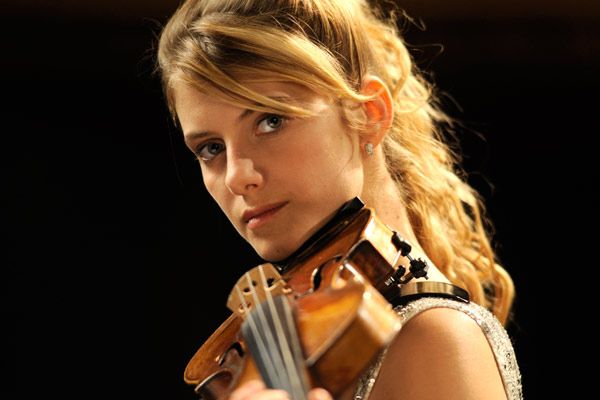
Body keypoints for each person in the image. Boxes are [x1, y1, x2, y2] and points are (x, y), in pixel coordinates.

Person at [155, 0, 523, 399]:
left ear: (369, 115)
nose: (236, 177)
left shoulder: (438, 338)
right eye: (211, 148)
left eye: (270, 121)